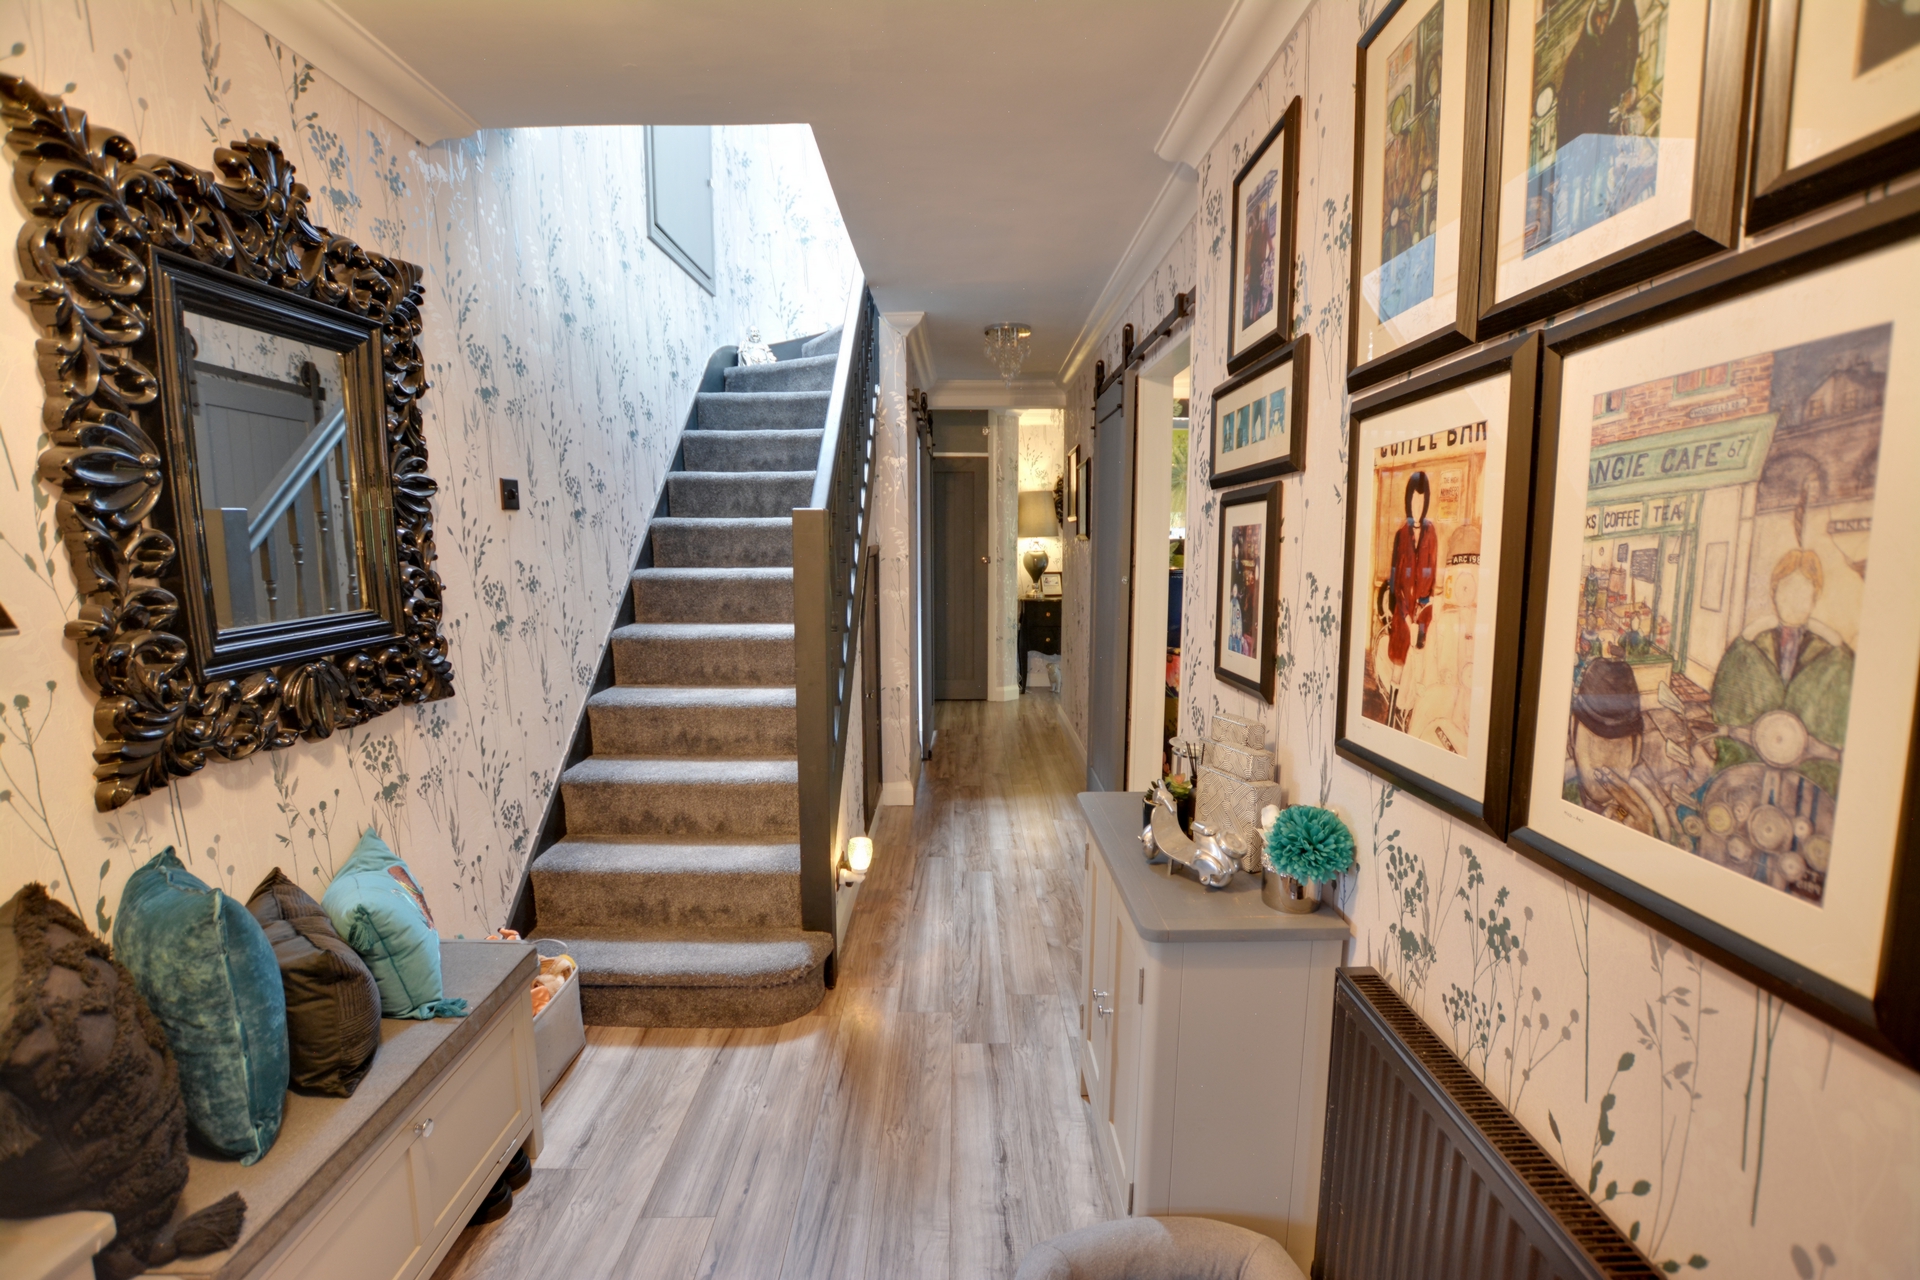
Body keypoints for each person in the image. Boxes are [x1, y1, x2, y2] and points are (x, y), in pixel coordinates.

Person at [1710, 548, 1854, 751]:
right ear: (1774, 593)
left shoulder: (1829, 651)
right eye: (1785, 589)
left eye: (1803, 591)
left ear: (1815, 596)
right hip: (1753, 752)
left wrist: (1835, 640)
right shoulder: (1753, 644)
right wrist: (1747, 636)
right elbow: (1724, 703)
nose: (1792, 600)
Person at [1556, 0, 1641, 149]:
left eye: (1605, 17)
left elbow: (1629, 58)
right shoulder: (1586, 43)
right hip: (1593, 108)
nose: (1601, 24)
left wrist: (1625, 96)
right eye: (1600, 19)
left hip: (1610, 106)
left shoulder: (1625, 16)